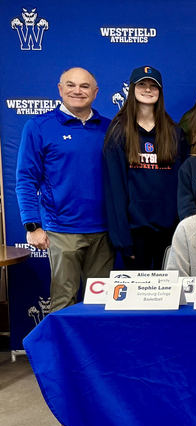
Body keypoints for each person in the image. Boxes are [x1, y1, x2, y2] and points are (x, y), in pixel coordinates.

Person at [16, 67, 112, 311]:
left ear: (95, 92)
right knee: (63, 303)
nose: (77, 91)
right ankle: (62, 351)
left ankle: (96, 350)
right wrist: (32, 225)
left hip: (104, 233)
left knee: (100, 305)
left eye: (84, 86)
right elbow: (26, 179)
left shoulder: (110, 128)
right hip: (62, 231)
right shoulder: (39, 126)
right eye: (70, 85)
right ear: (60, 89)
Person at [103, 66, 187, 271]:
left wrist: (181, 229)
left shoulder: (175, 133)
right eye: (142, 84)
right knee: (137, 299)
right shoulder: (118, 132)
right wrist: (121, 237)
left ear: (160, 91)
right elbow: (115, 190)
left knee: (168, 296)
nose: (148, 89)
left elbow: (183, 185)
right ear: (132, 89)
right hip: (134, 233)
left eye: (153, 86)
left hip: (169, 231)